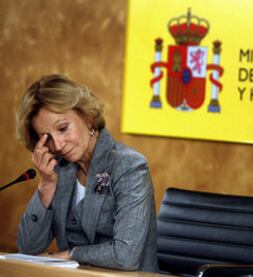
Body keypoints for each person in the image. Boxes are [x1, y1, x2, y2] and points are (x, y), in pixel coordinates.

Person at [15, 74, 158, 272]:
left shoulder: (129, 166)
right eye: (46, 138)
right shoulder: (58, 168)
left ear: (87, 117)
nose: (57, 145)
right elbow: (27, 249)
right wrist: (46, 184)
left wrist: (72, 254)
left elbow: (126, 256)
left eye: (63, 129)